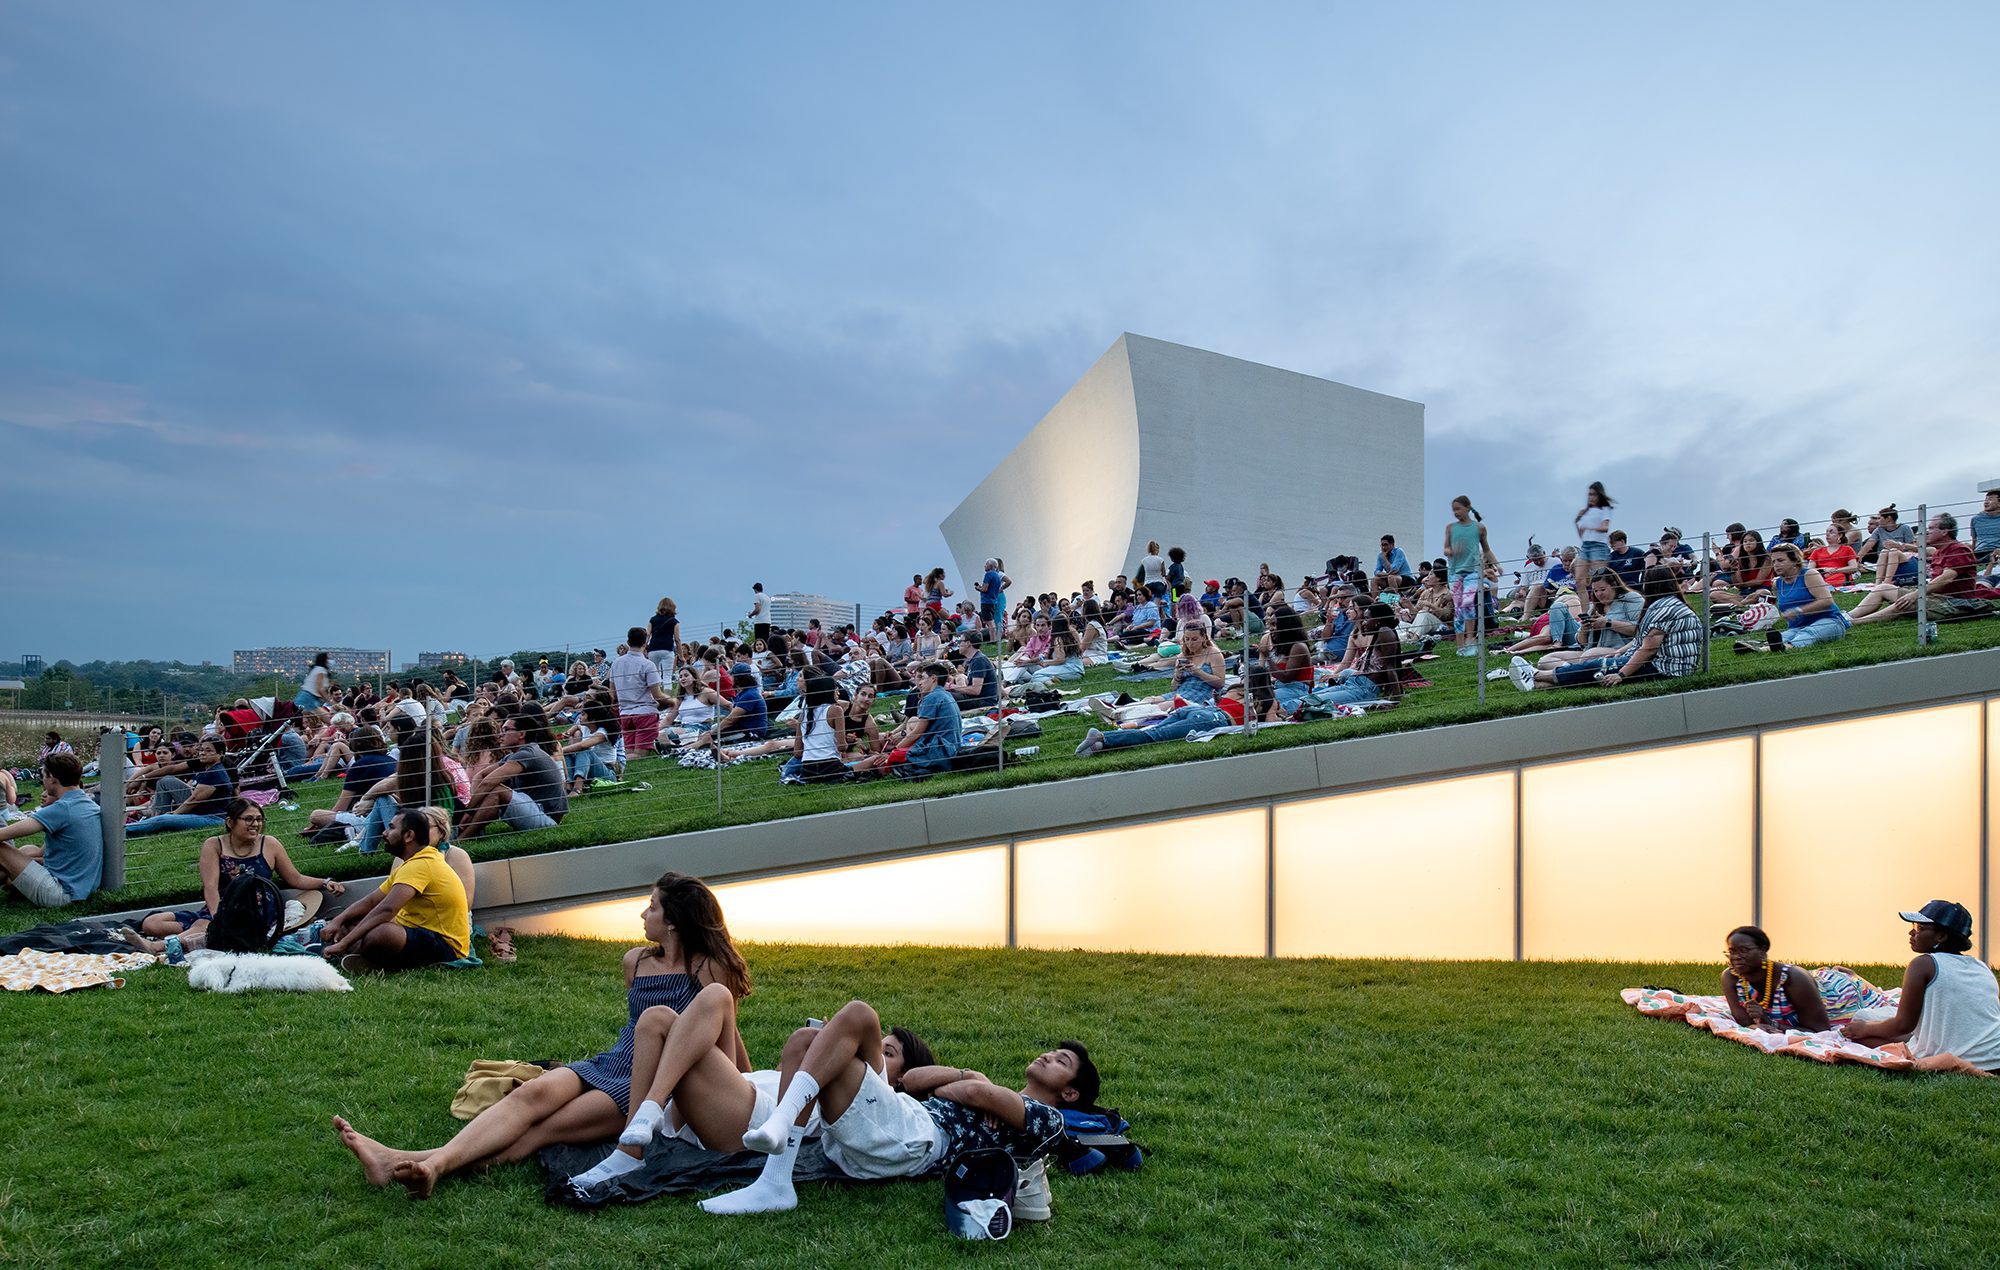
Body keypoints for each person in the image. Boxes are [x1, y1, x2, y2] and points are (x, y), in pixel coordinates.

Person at [335, 872, 749, 1197]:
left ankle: (421, 1165)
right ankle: (412, 1163)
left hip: (648, 1083)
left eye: (652, 907)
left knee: (544, 1130)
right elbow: (635, 1027)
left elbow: (720, 1035)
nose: (643, 914)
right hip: (612, 1060)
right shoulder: (636, 961)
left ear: (674, 921)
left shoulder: (709, 969)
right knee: (525, 1097)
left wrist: (746, 1085)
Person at [716, 999, 1093, 1216]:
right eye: (1052, 1052)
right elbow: (912, 1081)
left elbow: (982, 1097)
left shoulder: (1050, 1120)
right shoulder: (990, 1089)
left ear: (1071, 1094)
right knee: (804, 1041)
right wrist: (969, 1074)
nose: (1048, 1056)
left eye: (1061, 1061)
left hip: (915, 1140)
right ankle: (775, 1180)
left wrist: (975, 1087)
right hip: (902, 1118)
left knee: (860, 1015)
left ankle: (780, 1137)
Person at [132, 800, 345, 939]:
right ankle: (201, 935)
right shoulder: (214, 845)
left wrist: (325, 882)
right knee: (152, 923)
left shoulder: (269, 844)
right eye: (249, 819)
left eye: (259, 820)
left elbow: (295, 879)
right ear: (230, 822)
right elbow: (210, 887)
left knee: (199, 926)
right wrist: (218, 918)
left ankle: (159, 947)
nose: (255, 824)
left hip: (258, 910)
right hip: (222, 908)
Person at [1842, 901, 2000, 1074]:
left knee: (1862, 1022)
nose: (1911, 932)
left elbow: (1903, 1025)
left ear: (1941, 936)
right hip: (1994, 1058)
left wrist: (1863, 1029)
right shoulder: (1981, 967)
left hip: (1954, 1056)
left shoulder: (1923, 964)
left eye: (1920, 928)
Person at [320, 808, 470, 973]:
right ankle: (359, 955)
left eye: (391, 828)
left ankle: (362, 957)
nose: (384, 833)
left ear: (409, 836)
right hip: (418, 933)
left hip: (446, 947)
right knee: (349, 922)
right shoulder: (411, 863)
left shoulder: (422, 864)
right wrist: (338, 920)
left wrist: (345, 942)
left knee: (383, 933)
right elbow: (371, 901)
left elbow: (387, 909)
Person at [1511, 566, 1704, 690]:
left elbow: (1647, 644)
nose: (1599, 594)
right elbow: (1582, 642)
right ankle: (1537, 685)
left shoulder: (1647, 604)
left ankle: (1536, 676)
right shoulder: (1671, 605)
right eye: (1595, 591)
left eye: (1603, 590)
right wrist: (1587, 628)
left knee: (1596, 663)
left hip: (1663, 666)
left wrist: (1621, 673)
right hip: (1644, 658)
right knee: (1558, 660)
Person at [1720, 925, 1893, 1033]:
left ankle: (1852, 976)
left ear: (1763, 951)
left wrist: (1771, 1023)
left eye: (1744, 950)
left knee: (1880, 999)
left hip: (1838, 994)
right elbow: (1744, 1021)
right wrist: (1760, 1023)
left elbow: (1820, 1029)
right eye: (1732, 951)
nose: (1736, 957)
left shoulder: (1793, 979)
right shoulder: (1731, 977)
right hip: (1814, 981)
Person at [0, 752, 102, 908]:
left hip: (62, 893)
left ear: (53, 778)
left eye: (44, 776)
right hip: (82, 888)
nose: (42, 781)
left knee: (2, 849)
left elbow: (4, 834)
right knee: (28, 849)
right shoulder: (86, 803)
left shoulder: (62, 809)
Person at [1850, 512, 1991, 624]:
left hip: (1953, 603)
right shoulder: (1940, 551)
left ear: (1944, 532)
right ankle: (1848, 616)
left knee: (1903, 603)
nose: (1926, 531)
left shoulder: (1959, 550)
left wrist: (1916, 594)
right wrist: (1904, 546)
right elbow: (1923, 550)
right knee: (1882, 587)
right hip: (1935, 597)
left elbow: (1946, 578)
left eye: (1931, 528)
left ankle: (1854, 623)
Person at [452, 709, 569, 841]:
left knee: (497, 791)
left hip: (547, 819)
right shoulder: (513, 755)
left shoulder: (527, 754)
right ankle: (467, 833)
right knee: (495, 791)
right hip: (534, 809)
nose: (500, 735)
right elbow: (481, 775)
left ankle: (462, 840)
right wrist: (474, 806)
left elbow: (488, 782)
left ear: (521, 734)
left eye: (506, 730)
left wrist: (469, 811)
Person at [1731, 543, 1848, 653]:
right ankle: (1762, 647)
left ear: (1795, 561)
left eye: (1781, 560)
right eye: (1774, 561)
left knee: (1809, 633)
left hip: (1830, 621)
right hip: (1798, 626)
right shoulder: (1778, 584)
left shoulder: (1809, 574)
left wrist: (1799, 611)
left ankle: (1784, 647)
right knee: (1785, 636)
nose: (1776, 564)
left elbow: (1827, 601)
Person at [852, 662, 960, 776]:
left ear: (933, 679)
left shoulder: (931, 698)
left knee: (880, 763)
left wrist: (894, 752)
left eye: (922, 678)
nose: (920, 682)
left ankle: (847, 772)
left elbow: (918, 732)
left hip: (937, 753)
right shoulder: (946, 695)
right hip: (949, 749)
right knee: (910, 722)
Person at [125, 737, 234, 836]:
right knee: (166, 781)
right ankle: (154, 819)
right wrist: (142, 778)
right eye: (201, 750)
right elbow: (172, 769)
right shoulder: (203, 764)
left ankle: (124, 830)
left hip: (211, 817)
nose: (203, 753)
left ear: (220, 754)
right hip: (200, 809)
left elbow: (194, 799)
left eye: (208, 750)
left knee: (163, 820)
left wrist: (174, 814)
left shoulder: (215, 772)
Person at [1444, 495, 1499, 656]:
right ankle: (1460, 646)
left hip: (1472, 572)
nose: (1455, 512)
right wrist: (1453, 551)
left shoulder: (1479, 528)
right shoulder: (1450, 528)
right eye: (1453, 510)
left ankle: (1471, 640)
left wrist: (1497, 564)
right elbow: (1446, 549)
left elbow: (1487, 549)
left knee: (1468, 602)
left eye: (1458, 509)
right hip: (1454, 574)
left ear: (1468, 508)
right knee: (1460, 609)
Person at [608, 626, 671, 755]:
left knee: (628, 753)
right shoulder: (647, 665)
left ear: (628, 642)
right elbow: (657, 695)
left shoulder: (616, 663)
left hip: (625, 713)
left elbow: (612, 693)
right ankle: (614, 764)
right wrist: (673, 701)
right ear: (645, 642)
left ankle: (618, 764)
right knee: (639, 755)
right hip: (645, 713)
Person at [1573, 482, 1615, 611]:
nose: (1591, 497)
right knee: (1580, 580)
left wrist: (1588, 527)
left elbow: (1605, 528)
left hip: (1599, 546)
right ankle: (1585, 612)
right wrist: (1577, 521)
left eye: (1593, 495)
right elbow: (1581, 534)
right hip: (1586, 545)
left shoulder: (1605, 509)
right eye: (1589, 495)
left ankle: (1605, 609)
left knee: (1601, 580)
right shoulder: (1586, 511)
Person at [946, 631, 999, 714]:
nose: (958, 644)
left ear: (968, 643)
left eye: (960, 641)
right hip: (977, 698)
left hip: (984, 702)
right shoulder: (974, 659)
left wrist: (951, 686)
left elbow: (975, 690)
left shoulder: (979, 660)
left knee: (945, 697)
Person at [1971, 487, 2000, 582]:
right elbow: (1974, 541)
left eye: (1991, 499)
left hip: (1997, 552)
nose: (1986, 502)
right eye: (1985, 500)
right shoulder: (1976, 519)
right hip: (1980, 553)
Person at [296, 652, 335, 716]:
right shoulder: (321, 670)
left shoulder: (316, 669)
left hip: (309, 697)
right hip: (308, 698)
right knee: (327, 717)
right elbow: (320, 689)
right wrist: (329, 701)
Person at [649, 599, 679, 681]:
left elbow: (647, 634)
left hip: (653, 649)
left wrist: (643, 648)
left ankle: (656, 693)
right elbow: (677, 639)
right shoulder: (674, 621)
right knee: (667, 676)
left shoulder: (652, 620)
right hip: (667, 649)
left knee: (654, 675)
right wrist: (682, 656)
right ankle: (667, 693)